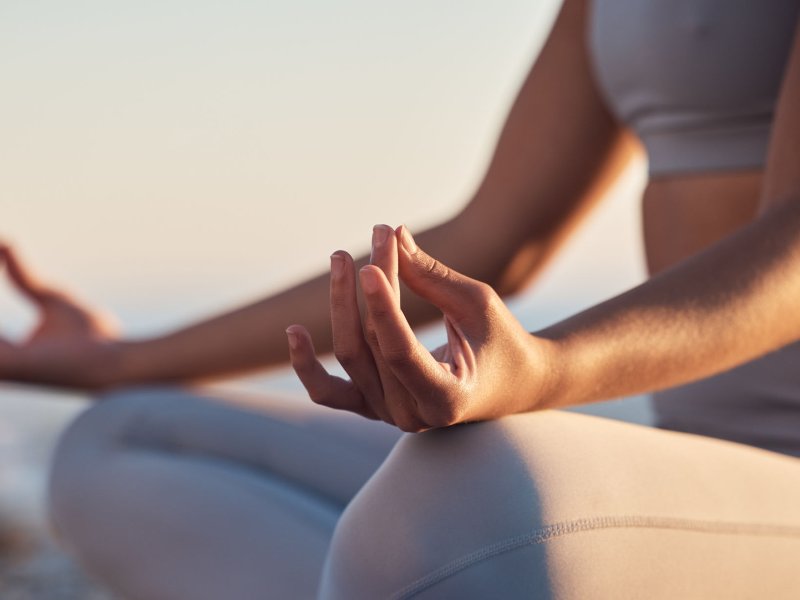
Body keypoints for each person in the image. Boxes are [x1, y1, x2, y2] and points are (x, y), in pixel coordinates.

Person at [2, 0, 800, 597]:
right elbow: (495, 235)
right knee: (121, 441)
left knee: (468, 492)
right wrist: (121, 361)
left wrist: (542, 369)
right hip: (704, 464)